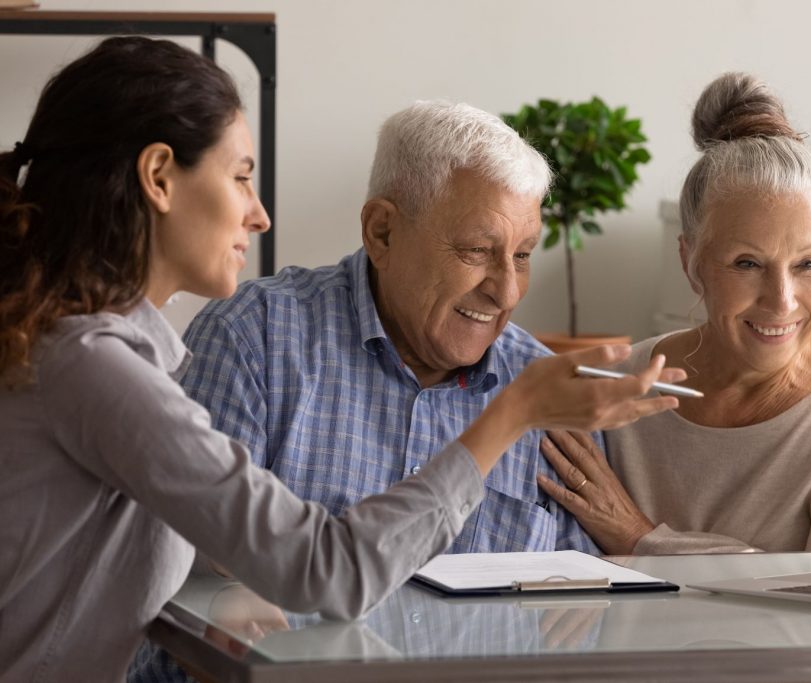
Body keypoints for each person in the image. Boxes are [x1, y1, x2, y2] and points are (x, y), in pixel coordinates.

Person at [0, 37, 684, 683]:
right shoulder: (101, 367)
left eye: (523, 254)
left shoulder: (97, 356)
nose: (260, 214)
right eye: (240, 176)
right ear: (158, 177)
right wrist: (512, 413)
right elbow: (323, 568)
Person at [537, 72, 811, 556]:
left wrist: (641, 539)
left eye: (809, 264)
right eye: (747, 263)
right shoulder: (616, 387)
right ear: (690, 263)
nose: (781, 300)